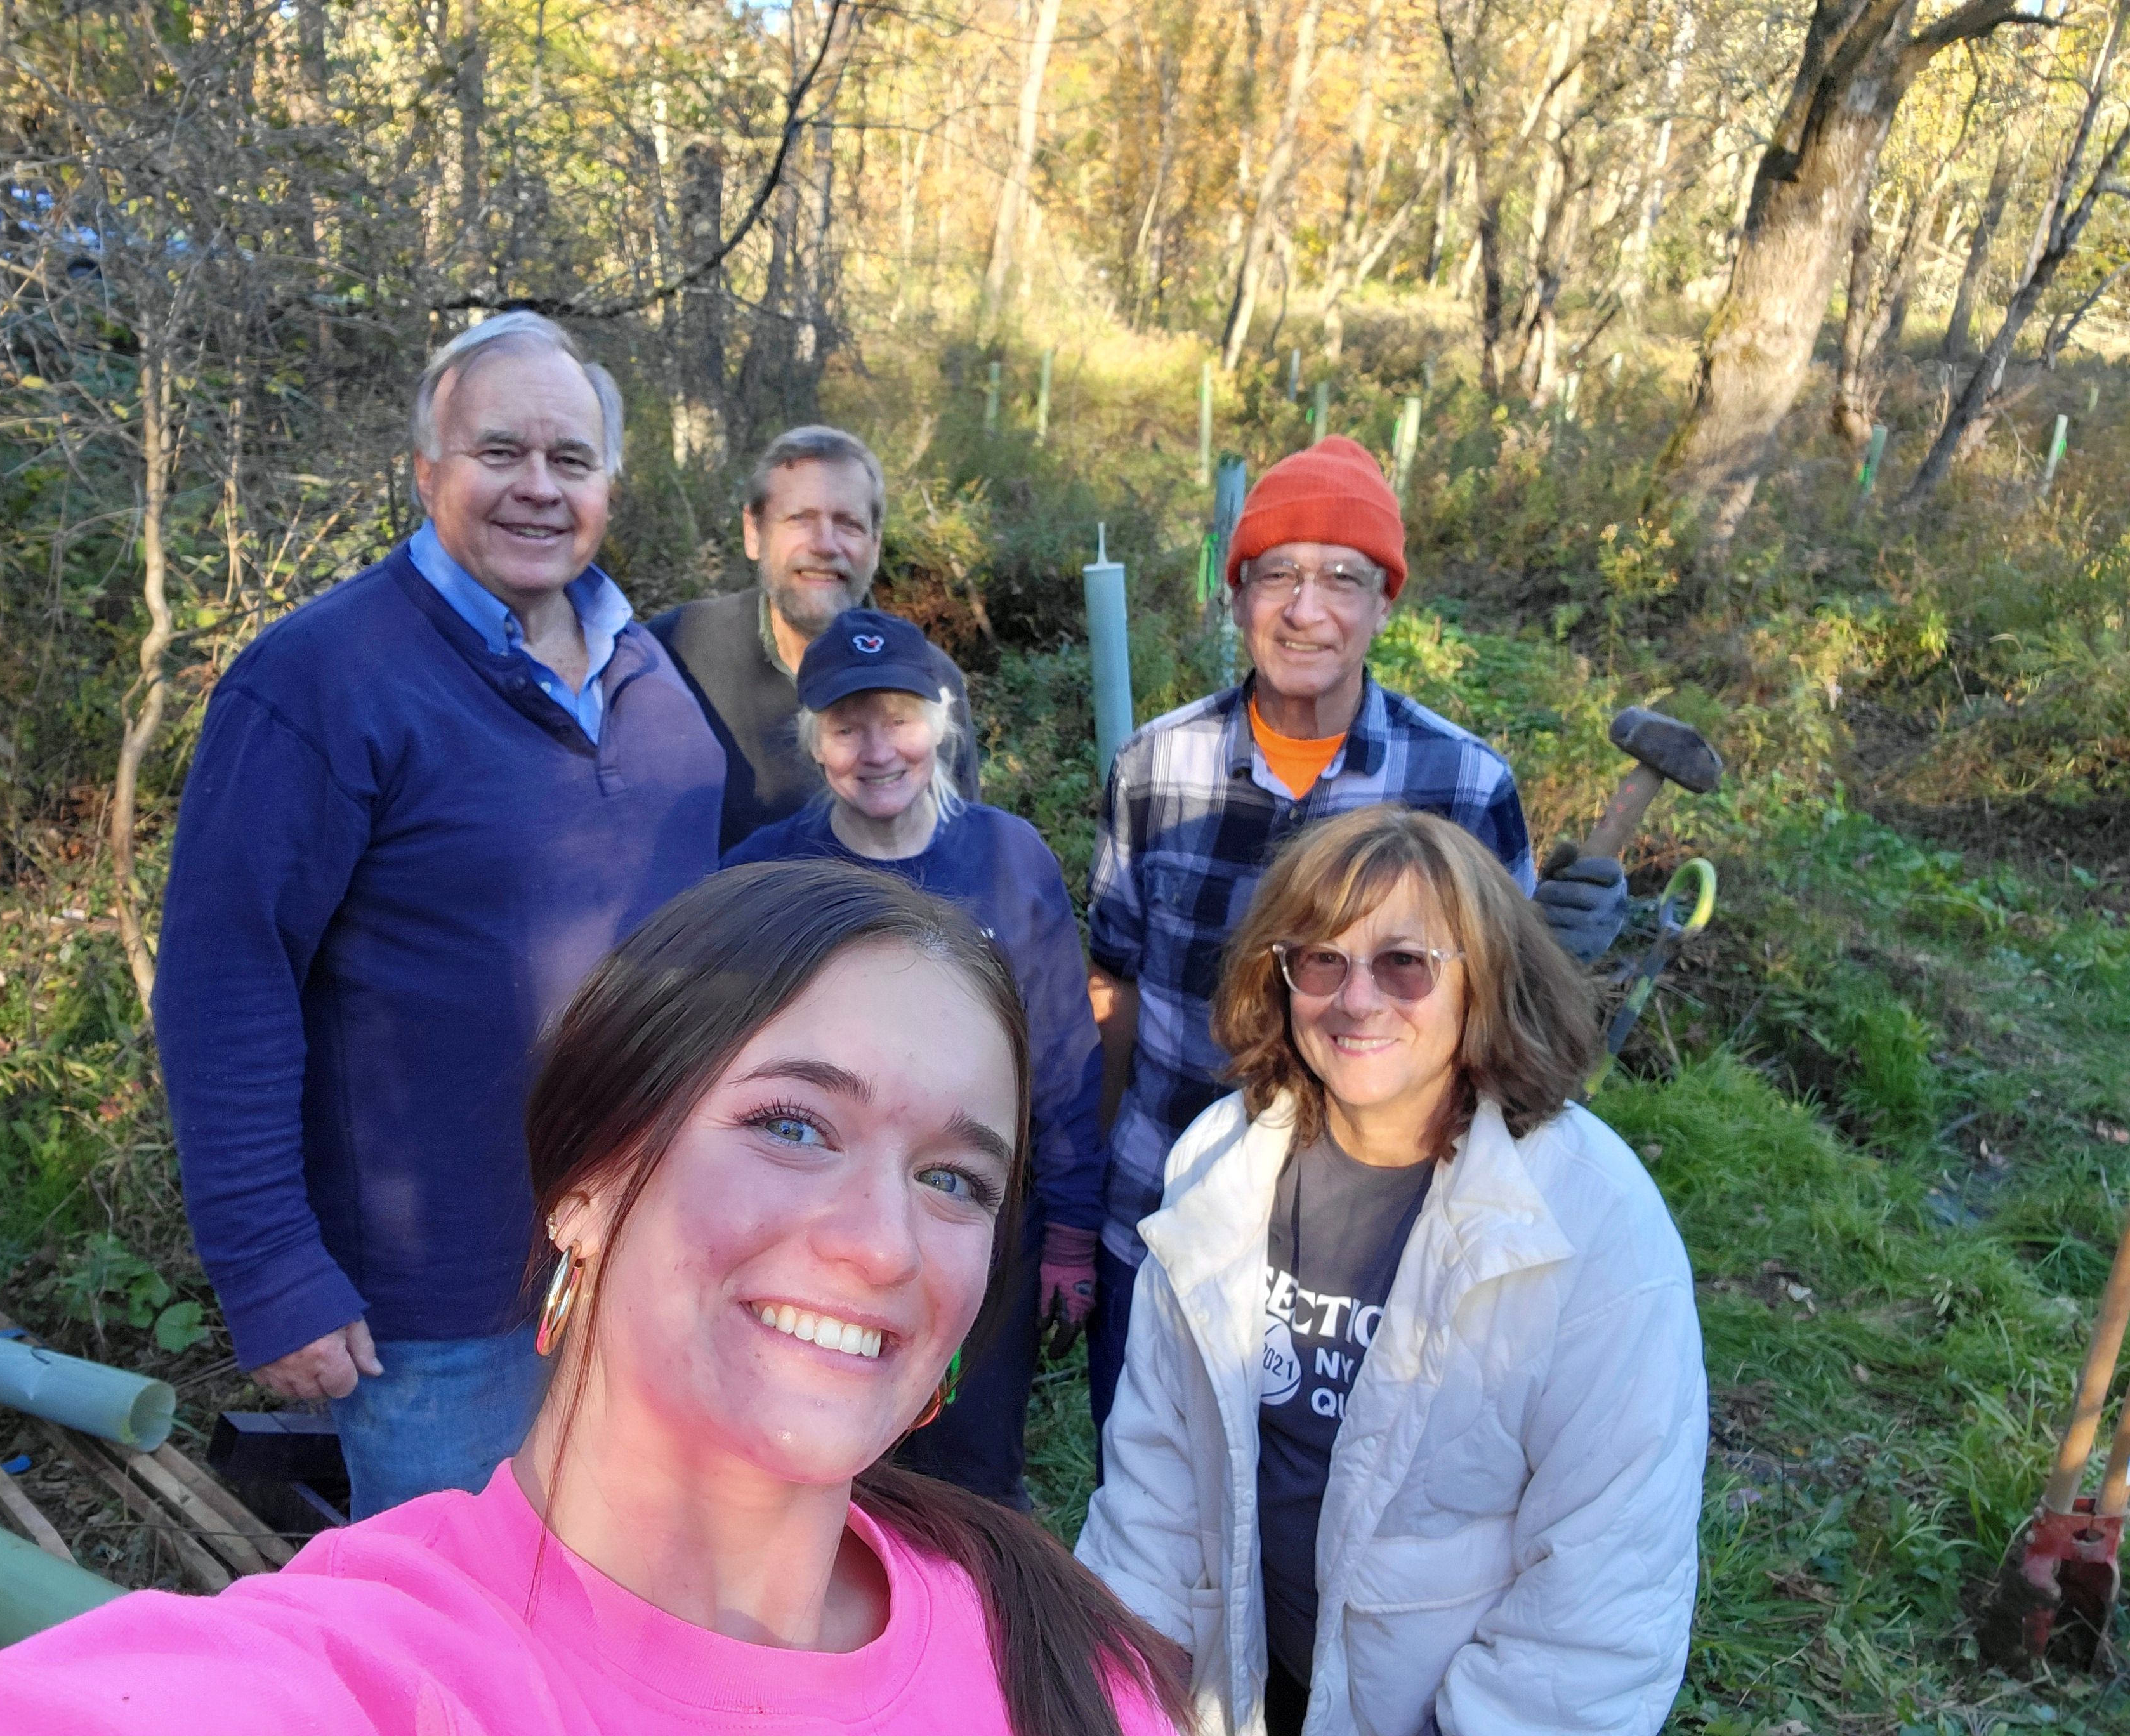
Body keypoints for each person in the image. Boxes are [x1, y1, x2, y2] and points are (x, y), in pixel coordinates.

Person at [0, 864, 1190, 1736]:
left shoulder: (1066, 1657)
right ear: (586, 1183)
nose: (886, 1244)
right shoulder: (384, 1673)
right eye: (793, 1126)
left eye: (956, 1179)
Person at [150, 311, 724, 1518]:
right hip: (439, 1308)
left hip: (639, 1260)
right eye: (497, 452)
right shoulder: (318, 681)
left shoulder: (651, 679)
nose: (536, 487)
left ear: (610, 485)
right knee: (454, 1641)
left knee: (613, 1588)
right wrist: (272, 1269)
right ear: (425, 472)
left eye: (569, 460)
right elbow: (224, 982)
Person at [1075, 806, 1707, 1736]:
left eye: (1404, 964)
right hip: (1243, 1683)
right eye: (1321, 960)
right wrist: (1123, 1693)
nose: (1357, 1000)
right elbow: (1158, 1474)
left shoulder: (1594, 1220)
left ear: (1482, 981)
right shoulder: (1224, 1162)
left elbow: (1601, 1586)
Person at [1083, 436, 1629, 1437]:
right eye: (1277, 575)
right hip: (1169, 1206)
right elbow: (1111, 988)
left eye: (1344, 577)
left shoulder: (1464, 785)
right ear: (1235, 594)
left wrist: (1561, 950)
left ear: (1387, 605)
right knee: (1150, 1500)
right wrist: (1085, 1201)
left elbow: (1507, 1022)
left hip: (1374, 1247)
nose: (1306, 608)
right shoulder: (1158, 768)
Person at [725, 608, 1103, 1506]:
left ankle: (971, 1627)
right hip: (811, 1232)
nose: (878, 748)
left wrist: (1074, 1233)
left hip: (977, 1232)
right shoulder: (764, 875)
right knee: (822, 1463)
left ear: (940, 722)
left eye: (897, 719)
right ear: (814, 744)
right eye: (848, 726)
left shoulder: (1009, 858)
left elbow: (1061, 1052)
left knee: (970, 1473)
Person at [650, 424, 982, 851]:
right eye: (799, 519)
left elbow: (962, 847)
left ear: (876, 544)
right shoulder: (674, 653)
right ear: (754, 532)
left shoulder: (930, 678)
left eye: (849, 524)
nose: (825, 545)